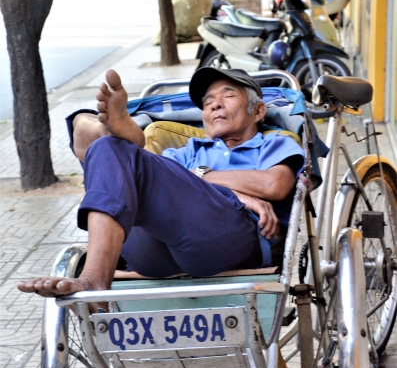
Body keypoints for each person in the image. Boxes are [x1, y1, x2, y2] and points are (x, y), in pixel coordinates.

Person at [17, 67, 304, 298]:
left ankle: (117, 139)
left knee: (132, 160)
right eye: (207, 102)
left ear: (258, 111)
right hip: (153, 253)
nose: (215, 103)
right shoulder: (187, 151)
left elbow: (272, 186)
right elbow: (170, 185)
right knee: (109, 151)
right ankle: (94, 279)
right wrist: (235, 190)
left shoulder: (274, 143)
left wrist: (205, 179)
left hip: (227, 241)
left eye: (228, 95)